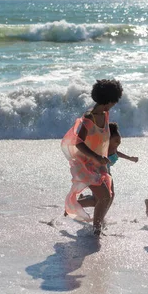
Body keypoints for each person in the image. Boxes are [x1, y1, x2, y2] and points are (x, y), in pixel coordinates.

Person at [61, 79, 123, 236]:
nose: (114, 105)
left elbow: (103, 138)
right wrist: (96, 156)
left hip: (100, 164)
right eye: (114, 101)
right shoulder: (90, 118)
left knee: (108, 196)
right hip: (86, 164)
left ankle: (95, 217)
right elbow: (78, 143)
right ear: (109, 101)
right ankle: (97, 229)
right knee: (104, 197)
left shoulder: (105, 114)